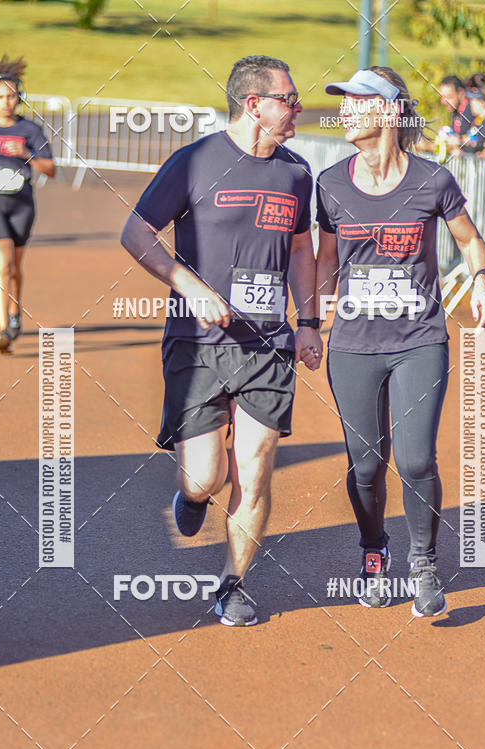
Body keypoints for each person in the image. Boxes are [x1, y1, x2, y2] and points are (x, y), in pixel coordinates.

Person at [121, 55, 321, 627]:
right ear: (254, 104)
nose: (298, 108)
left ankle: (232, 585)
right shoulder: (195, 162)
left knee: (254, 470)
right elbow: (135, 232)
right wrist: (189, 284)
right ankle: (192, 495)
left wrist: (308, 322)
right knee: (204, 476)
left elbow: (302, 252)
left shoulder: (296, 174)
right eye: (289, 98)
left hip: (268, 346)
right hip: (198, 341)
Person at [315, 66, 485, 617]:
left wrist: (482, 279)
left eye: (358, 100)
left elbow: (470, 242)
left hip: (419, 340)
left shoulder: (432, 180)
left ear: (391, 112)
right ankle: (375, 552)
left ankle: (424, 565)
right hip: (353, 344)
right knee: (366, 465)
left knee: (416, 458)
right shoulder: (331, 183)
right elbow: (325, 263)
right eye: (343, 101)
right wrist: (304, 320)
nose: (345, 109)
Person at [0, 55, 55, 353]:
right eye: (0, 96)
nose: (6, 101)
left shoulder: (30, 131)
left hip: (21, 204)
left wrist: (26, 154)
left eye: (11, 96)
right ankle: (3, 328)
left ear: (19, 98)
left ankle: (16, 314)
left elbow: (50, 169)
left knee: (15, 268)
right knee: (1, 266)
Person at [438, 74, 475, 153]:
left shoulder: (472, 111)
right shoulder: (455, 111)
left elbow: (477, 141)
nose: (443, 102)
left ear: (461, 93)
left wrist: (459, 141)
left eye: (449, 97)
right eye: (442, 97)